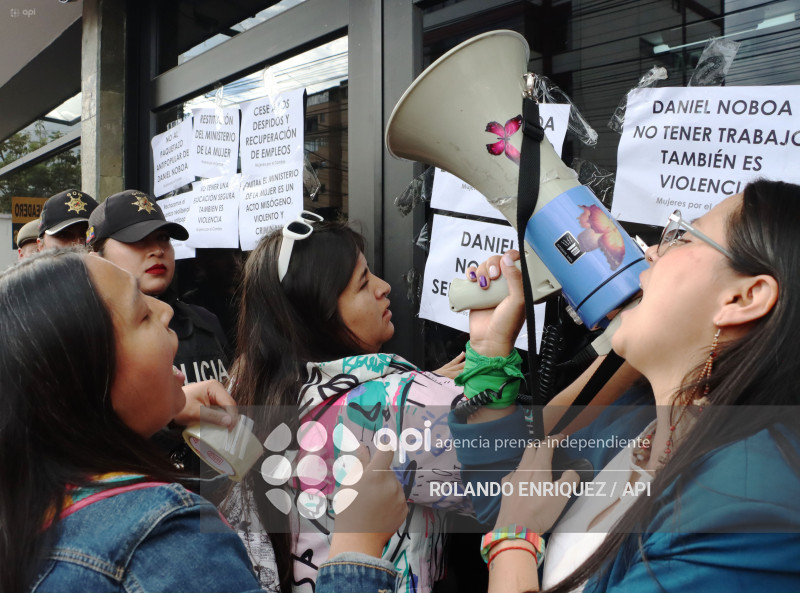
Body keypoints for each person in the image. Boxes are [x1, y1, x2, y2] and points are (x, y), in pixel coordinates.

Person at [449, 179, 800, 593]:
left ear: (744, 298)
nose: (650, 252)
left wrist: (515, 538)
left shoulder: (747, 510)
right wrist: (489, 353)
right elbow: (508, 495)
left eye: (682, 237)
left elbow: (512, 518)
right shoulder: (640, 422)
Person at [0, 249, 408, 593]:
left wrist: (158, 412)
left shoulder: (25, 510)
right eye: (141, 315)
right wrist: (357, 546)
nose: (164, 312)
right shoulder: (161, 540)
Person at [226, 216, 513, 593]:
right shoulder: (395, 403)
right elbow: (517, 487)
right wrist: (492, 350)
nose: (384, 286)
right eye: (363, 283)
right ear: (320, 313)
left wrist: (426, 383)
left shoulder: (247, 388)